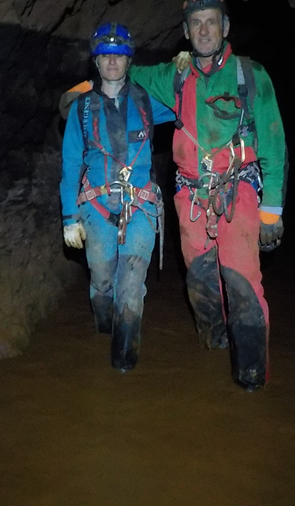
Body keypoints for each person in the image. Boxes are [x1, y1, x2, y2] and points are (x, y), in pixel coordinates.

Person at [127, 0, 288, 391]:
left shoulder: (251, 75)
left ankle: (250, 374)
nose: (204, 30)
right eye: (196, 24)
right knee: (199, 278)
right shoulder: (175, 76)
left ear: (225, 27)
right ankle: (215, 344)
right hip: (191, 196)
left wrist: (272, 210)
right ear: (185, 31)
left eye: (211, 21)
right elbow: (121, 74)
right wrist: (82, 94)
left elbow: (273, 143)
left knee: (241, 280)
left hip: (240, 191)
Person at [60, 22, 175, 372]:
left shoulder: (145, 102)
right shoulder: (81, 109)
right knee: (102, 281)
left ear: (129, 61)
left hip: (140, 208)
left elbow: (188, 102)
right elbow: (69, 164)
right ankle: (104, 325)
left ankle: (123, 360)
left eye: (120, 55)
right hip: (95, 208)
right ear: (96, 61)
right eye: (106, 55)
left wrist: (179, 70)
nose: (112, 61)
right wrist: (69, 218)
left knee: (131, 282)